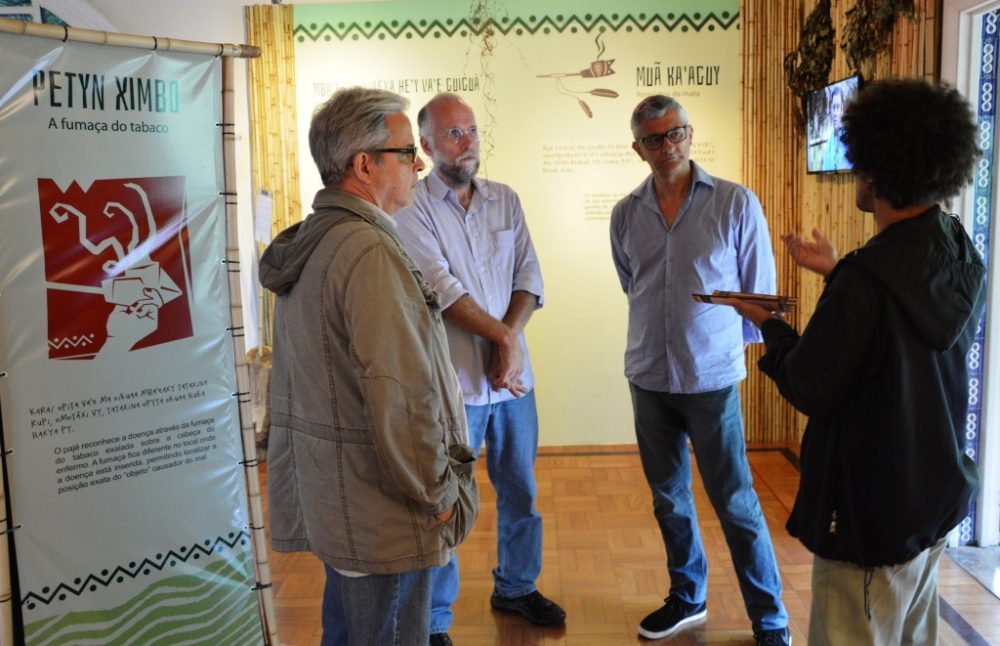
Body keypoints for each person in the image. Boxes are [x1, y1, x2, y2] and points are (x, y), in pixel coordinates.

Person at [724, 79, 984, 645]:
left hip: (872, 512)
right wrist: (838, 270)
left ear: (877, 167)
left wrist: (766, 321)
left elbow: (809, 383)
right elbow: (897, 332)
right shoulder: (957, 245)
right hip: (932, 496)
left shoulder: (866, 281)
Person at [259, 87, 479, 645]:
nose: (419, 165)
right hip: (382, 509)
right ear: (364, 165)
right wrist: (438, 496)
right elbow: (402, 397)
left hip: (342, 495)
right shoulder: (369, 251)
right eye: (407, 152)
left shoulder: (323, 239)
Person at [609, 95, 791, 645]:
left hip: (710, 379)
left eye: (675, 133)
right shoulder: (626, 213)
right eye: (654, 139)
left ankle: (771, 619)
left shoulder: (735, 203)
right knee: (669, 498)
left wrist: (721, 349)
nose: (667, 146)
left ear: (690, 134)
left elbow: (759, 295)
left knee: (735, 501)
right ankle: (688, 597)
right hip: (648, 374)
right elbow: (633, 284)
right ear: (638, 148)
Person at [395, 93, 565, 645]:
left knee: (521, 490)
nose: (466, 142)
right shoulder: (411, 208)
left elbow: (529, 276)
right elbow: (441, 289)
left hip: (513, 385)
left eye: (471, 131)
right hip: (455, 388)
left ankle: (516, 587)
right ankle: (435, 619)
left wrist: (507, 340)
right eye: (453, 134)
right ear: (426, 146)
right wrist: (503, 339)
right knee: (446, 501)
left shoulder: (505, 200)